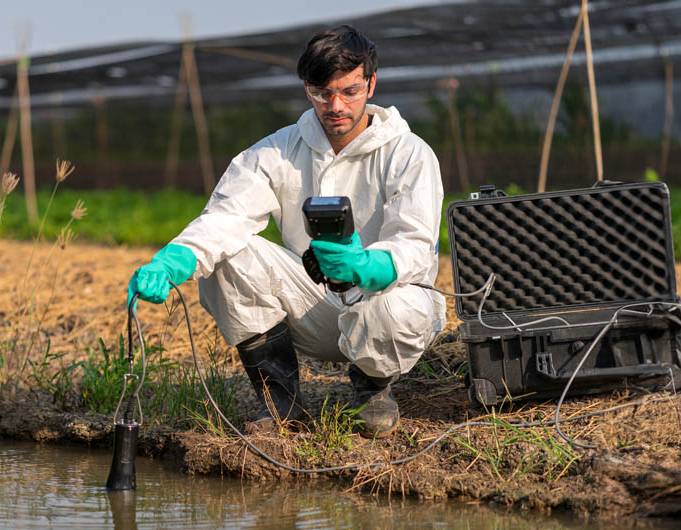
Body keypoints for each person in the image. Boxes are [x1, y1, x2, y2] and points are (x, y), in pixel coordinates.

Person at [126, 25, 446, 438]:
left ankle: (373, 389)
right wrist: (175, 259)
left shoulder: (409, 154)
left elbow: (416, 244)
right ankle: (281, 404)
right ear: (305, 87)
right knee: (231, 257)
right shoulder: (277, 150)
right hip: (317, 306)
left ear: (371, 84)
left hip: (386, 308)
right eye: (321, 92)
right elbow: (228, 216)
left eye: (349, 91)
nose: (335, 105)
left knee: (391, 307)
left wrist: (370, 265)